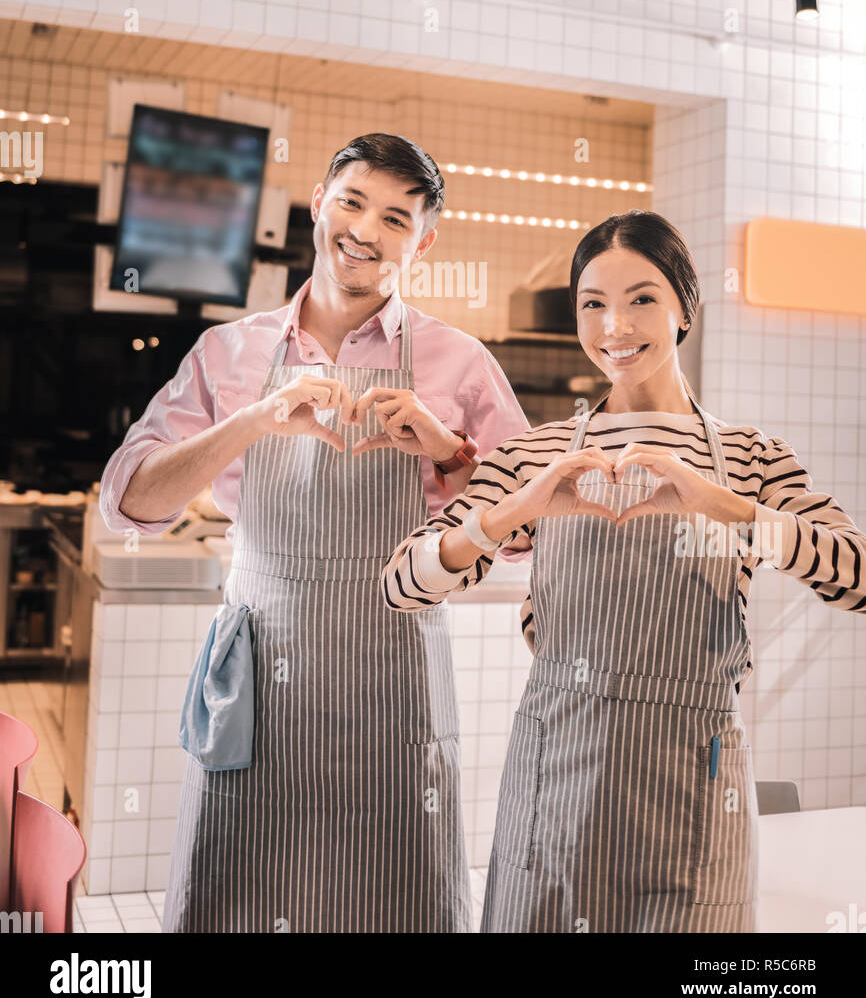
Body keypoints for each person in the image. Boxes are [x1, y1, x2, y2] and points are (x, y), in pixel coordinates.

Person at [383, 209, 866, 933]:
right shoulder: (535, 455)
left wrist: (728, 508)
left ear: (684, 307)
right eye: (593, 303)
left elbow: (858, 577)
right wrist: (512, 510)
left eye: (642, 297)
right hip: (554, 787)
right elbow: (402, 584)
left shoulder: (751, 459)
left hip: (695, 793)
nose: (616, 324)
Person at [100, 132, 529, 933]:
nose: (366, 230)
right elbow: (128, 502)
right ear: (318, 204)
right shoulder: (229, 352)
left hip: (394, 684)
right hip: (261, 682)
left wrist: (449, 450)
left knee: (395, 901)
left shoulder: (461, 362)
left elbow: (528, 534)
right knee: (237, 894)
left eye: (396, 218)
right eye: (353, 202)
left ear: (423, 242)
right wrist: (254, 420)